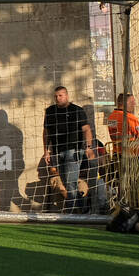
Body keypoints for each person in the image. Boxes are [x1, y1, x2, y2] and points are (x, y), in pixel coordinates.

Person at [42, 85, 100, 214]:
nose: (58, 98)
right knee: (67, 183)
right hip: (57, 151)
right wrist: (46, 151)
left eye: (60, 95)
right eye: (56, 96)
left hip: (73, 151)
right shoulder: (50, 111)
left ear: (67, 96)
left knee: (70, 184)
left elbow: (86, 129)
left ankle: (70, 214)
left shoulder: (77, 110)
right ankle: (83, 209)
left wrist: (89, 147)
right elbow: (46, 132)